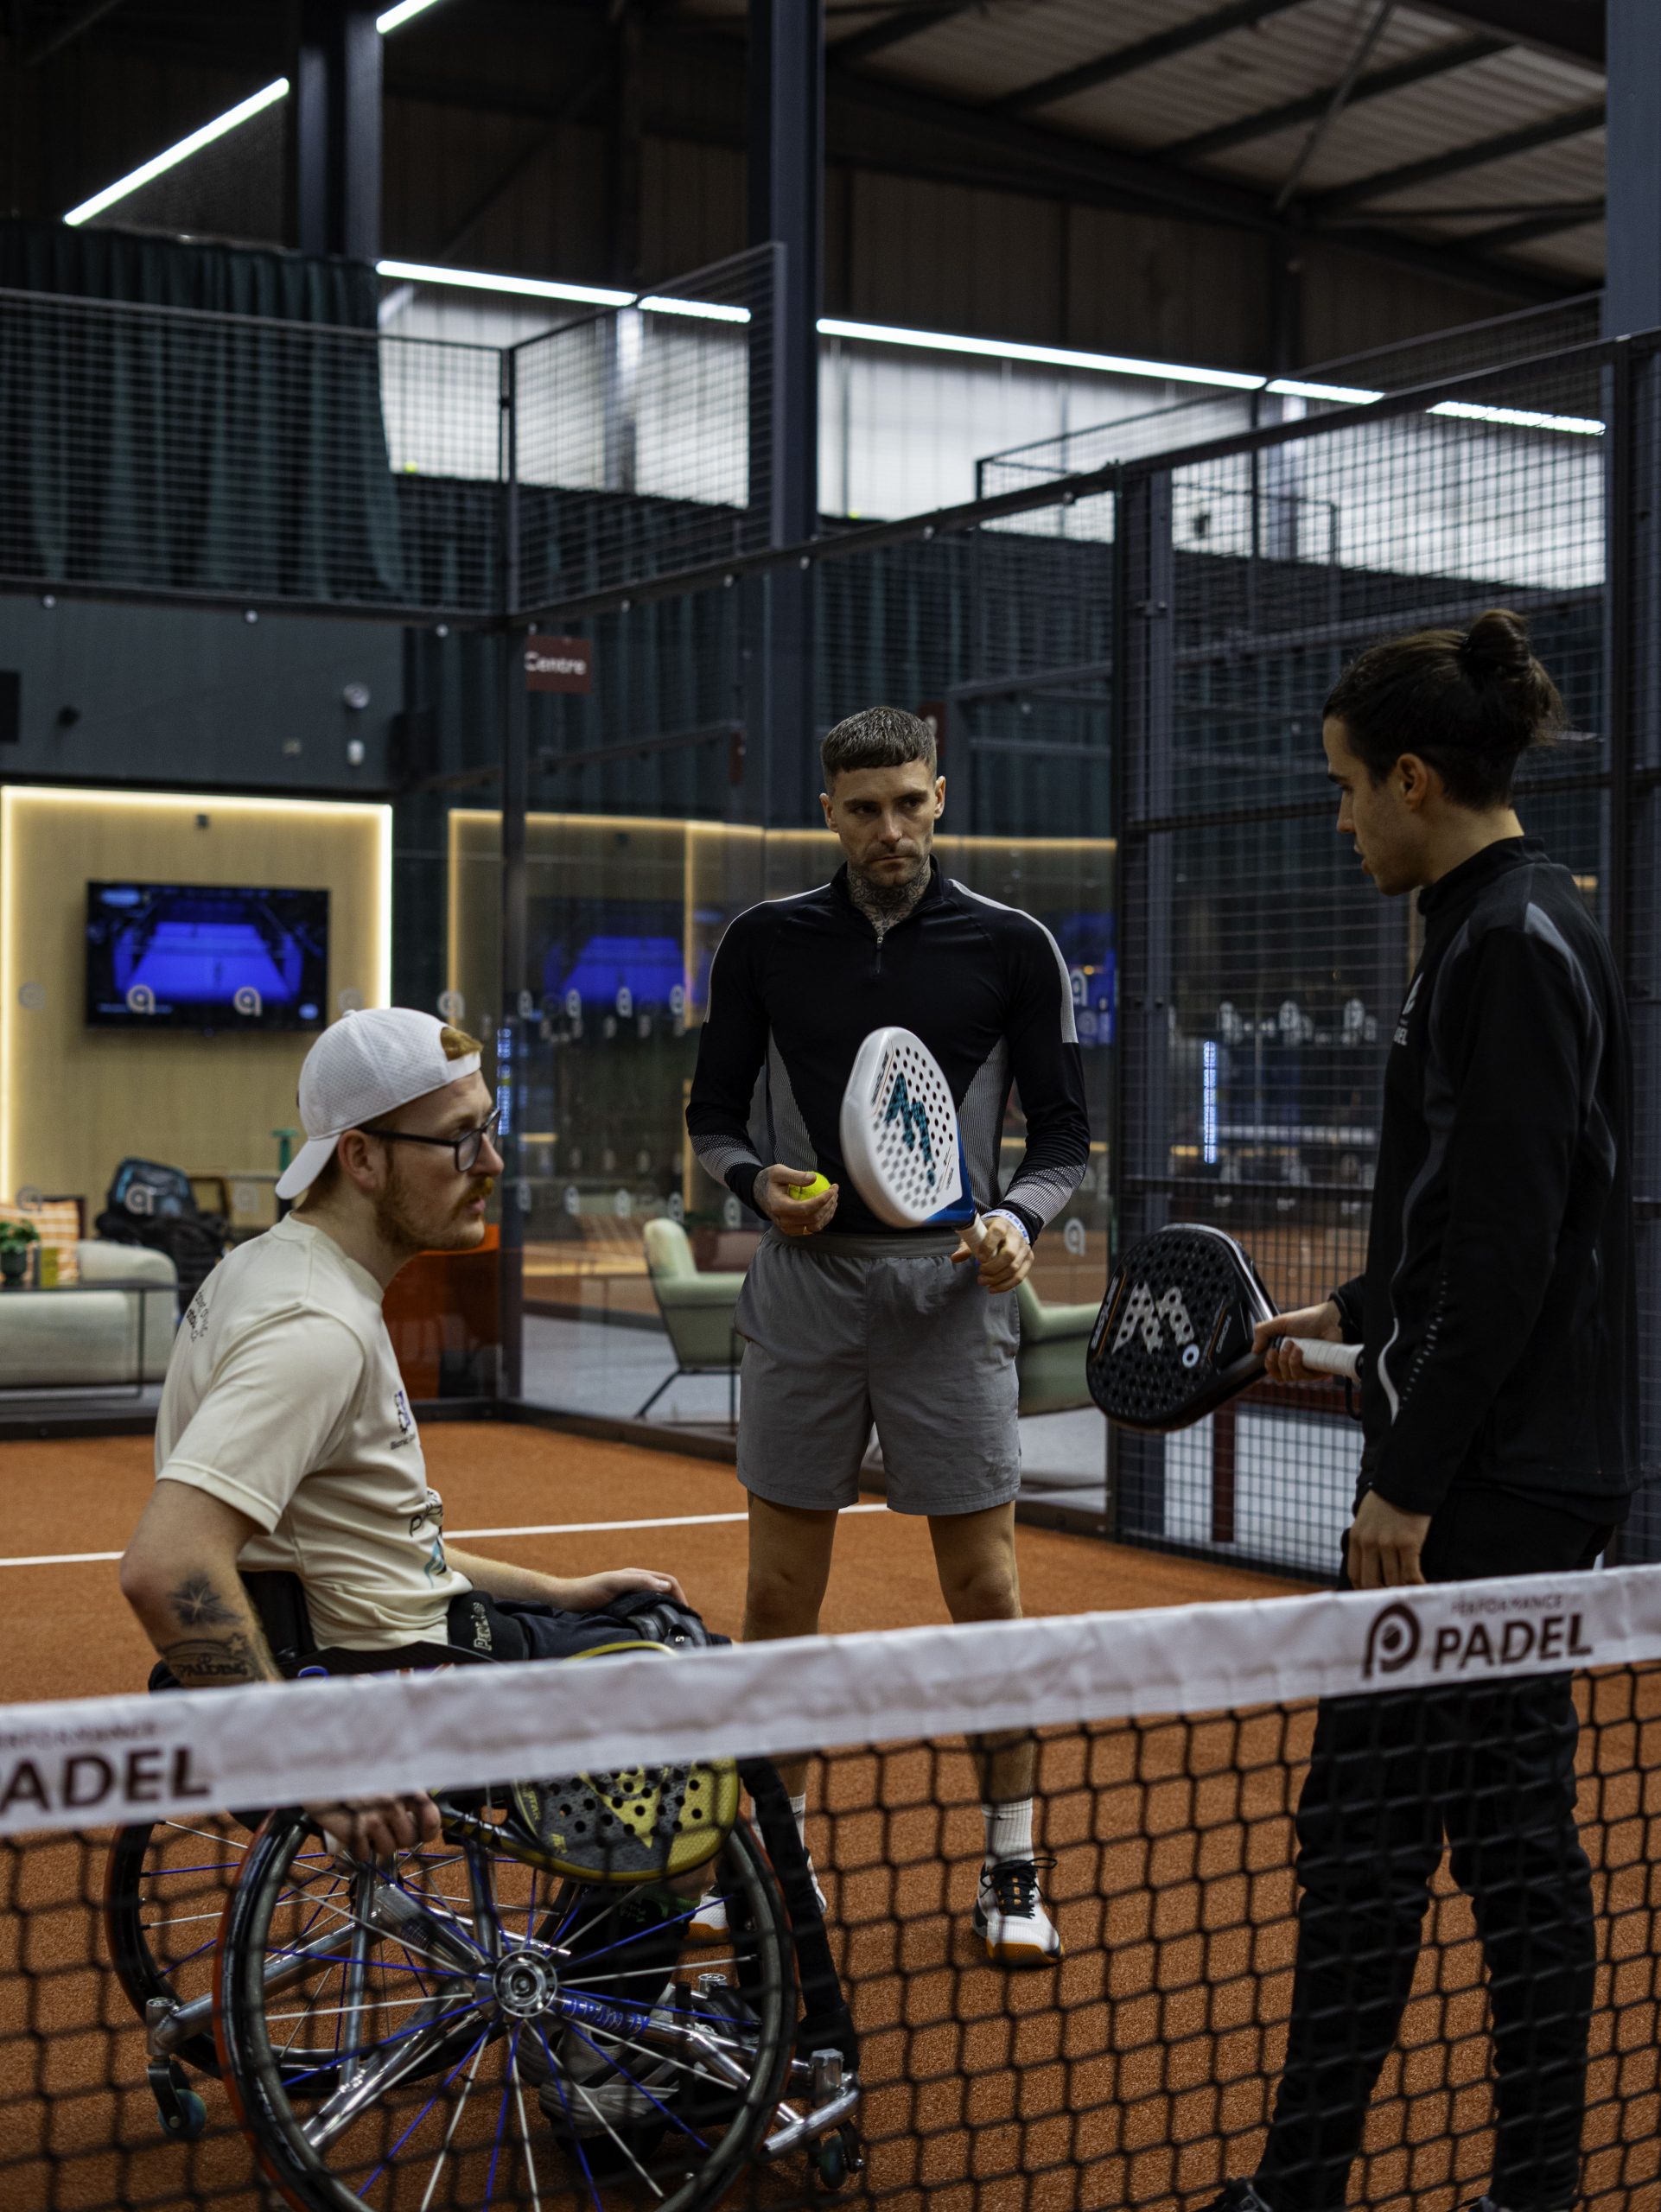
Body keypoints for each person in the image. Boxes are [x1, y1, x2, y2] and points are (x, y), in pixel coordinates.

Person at [1206, 611, 1637, 2212]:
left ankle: (1380, 2188)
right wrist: (1356, 1311)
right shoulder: (1492, 926)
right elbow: (1471, 1216)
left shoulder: (1508, 943)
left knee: (1425, 1838)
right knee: (1440, 1834)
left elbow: (1517, 1253)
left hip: (1491, 1487)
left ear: (1410, 779)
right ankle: (1389, 2183)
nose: (1339, 821)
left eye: (1343, 788)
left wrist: (1406, 1478)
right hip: (1503, 1468)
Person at [684, 705, 1091, 1965]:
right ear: (828, 813)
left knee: (986, 1591)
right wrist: (756, 1185)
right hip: (803, 1294)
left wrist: (1016, 1222)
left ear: (939, 798)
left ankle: (1011, 1864)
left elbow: (1062, 1139)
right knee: (776, 1596)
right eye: (863, 809)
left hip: (948, 1296)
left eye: (909, 804)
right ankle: (774, 1867)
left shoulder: (1013, 946)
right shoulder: (762, 942)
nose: (889, 831)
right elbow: (711, 1120)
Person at [120, 1007, 690, 1860]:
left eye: (488, 1128)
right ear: (361, 1157)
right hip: (398, 1676)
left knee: (626, 1620)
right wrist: (302, 1757)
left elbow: (370, 1552)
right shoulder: (316, 1327)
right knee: (684, 1665)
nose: (490, 1162)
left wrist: (556, 1590)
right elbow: (166, 1565)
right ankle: (632, 1950)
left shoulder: (268, 1267)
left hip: (373, 1637)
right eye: (459, 1139)